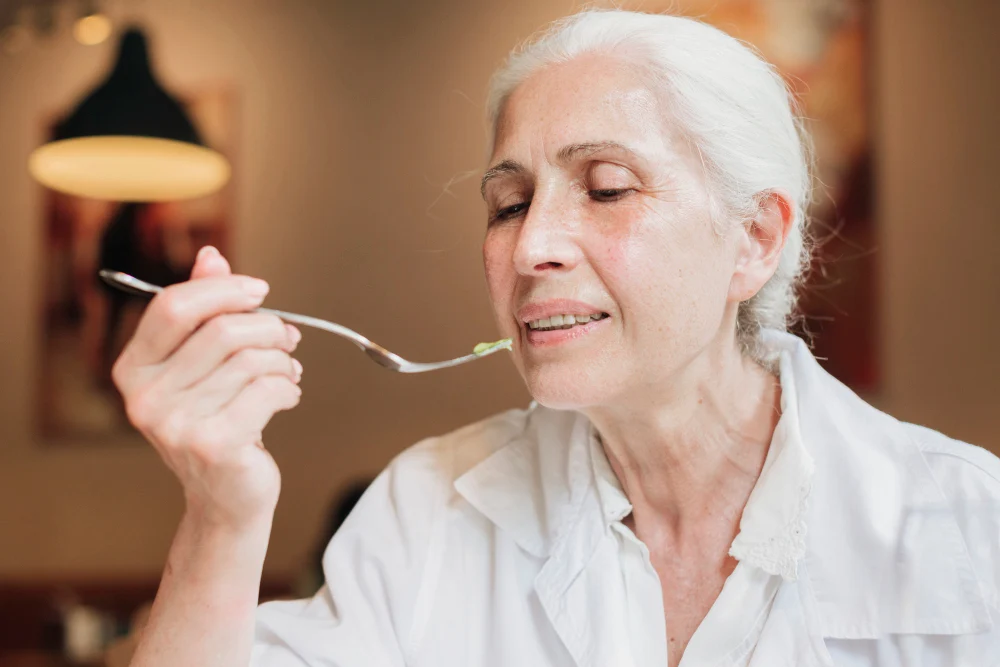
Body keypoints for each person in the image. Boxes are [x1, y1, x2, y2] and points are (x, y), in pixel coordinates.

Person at [112, 10, 1000, 667]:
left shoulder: (971, 527)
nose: (531, 245)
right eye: (508, 203)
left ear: (755, 240)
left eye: (607, 187)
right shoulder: (424, 512)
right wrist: (221, 515)